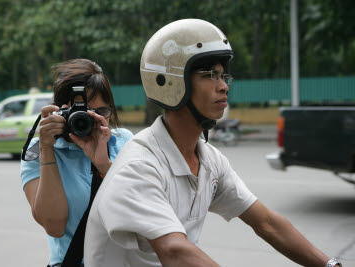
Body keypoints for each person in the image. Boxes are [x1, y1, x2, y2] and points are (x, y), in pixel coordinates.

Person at [83, 19, 343, 267]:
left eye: (223, 77)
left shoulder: (209, 160)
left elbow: (266, 223)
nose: (223, 87)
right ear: (170, 82)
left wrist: (331, 264)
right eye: (210, 75)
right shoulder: (139, 167)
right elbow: (174, 251)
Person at [20, 59, 133, 267]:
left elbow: (141, 209)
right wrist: (47, 149)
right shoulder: (38, 151)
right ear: (60, 112)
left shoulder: (123, 141)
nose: (90, 121)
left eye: (101, 113)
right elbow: (54, 227)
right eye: (81, 113)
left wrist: (104, 166)